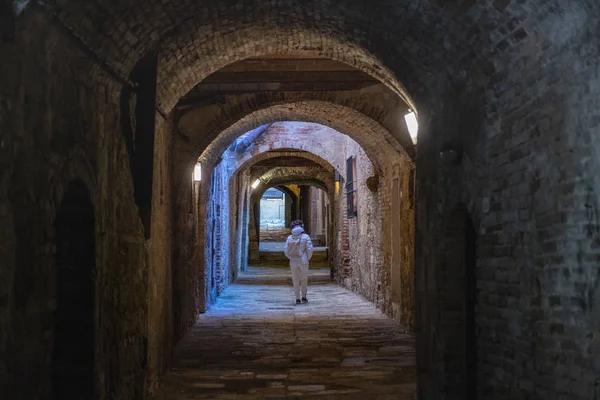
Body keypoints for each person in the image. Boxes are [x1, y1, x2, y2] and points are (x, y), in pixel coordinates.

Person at [284, 220, 314, 305]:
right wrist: (307, 258)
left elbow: (286, 250)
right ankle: (304, 297)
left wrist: (290, 257)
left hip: (293, 261)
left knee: (295, 279)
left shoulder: (290, 237)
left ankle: (297, 298)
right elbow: (310, 249)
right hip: (303, 260)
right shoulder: (305, 236)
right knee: (304, 279)